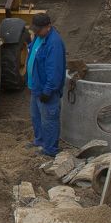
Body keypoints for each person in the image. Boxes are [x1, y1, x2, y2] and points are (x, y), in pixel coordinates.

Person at [27, 12, 66, 156]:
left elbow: (55, 71)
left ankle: (50, 150)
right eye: (35, 29)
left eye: (39, 29)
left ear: (48, 26)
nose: (36, 31)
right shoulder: (39, 37)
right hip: (36, 87)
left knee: (49, 120)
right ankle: (40, 141)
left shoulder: (54, 43)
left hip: (46, 91)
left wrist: (48, 91)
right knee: (36, 117)